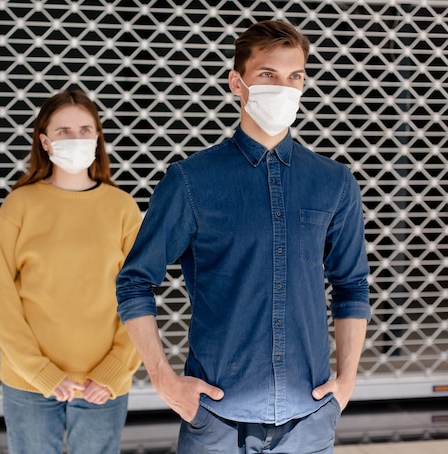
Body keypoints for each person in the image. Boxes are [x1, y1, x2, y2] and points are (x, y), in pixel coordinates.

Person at [116, 20, 370, 453]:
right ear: (238, 82)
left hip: (309, 422)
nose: (283, 88)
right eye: (268, 75)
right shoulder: (191, 181)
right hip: (216, 422)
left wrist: (345, 383)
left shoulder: (334, 183)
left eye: (295, 78)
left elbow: (352, 286)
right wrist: (163, 379)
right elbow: (135, 280)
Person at [0, 89, 142, 454]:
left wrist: (117, 368)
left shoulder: (122, 208)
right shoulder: (20, 203)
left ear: (98, 138)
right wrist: (38, 371)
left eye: (85, 130)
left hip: (101, 383)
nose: (76, 138)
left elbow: (139, 295)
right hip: (29, 381)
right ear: (44, 141)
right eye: (64, 131)